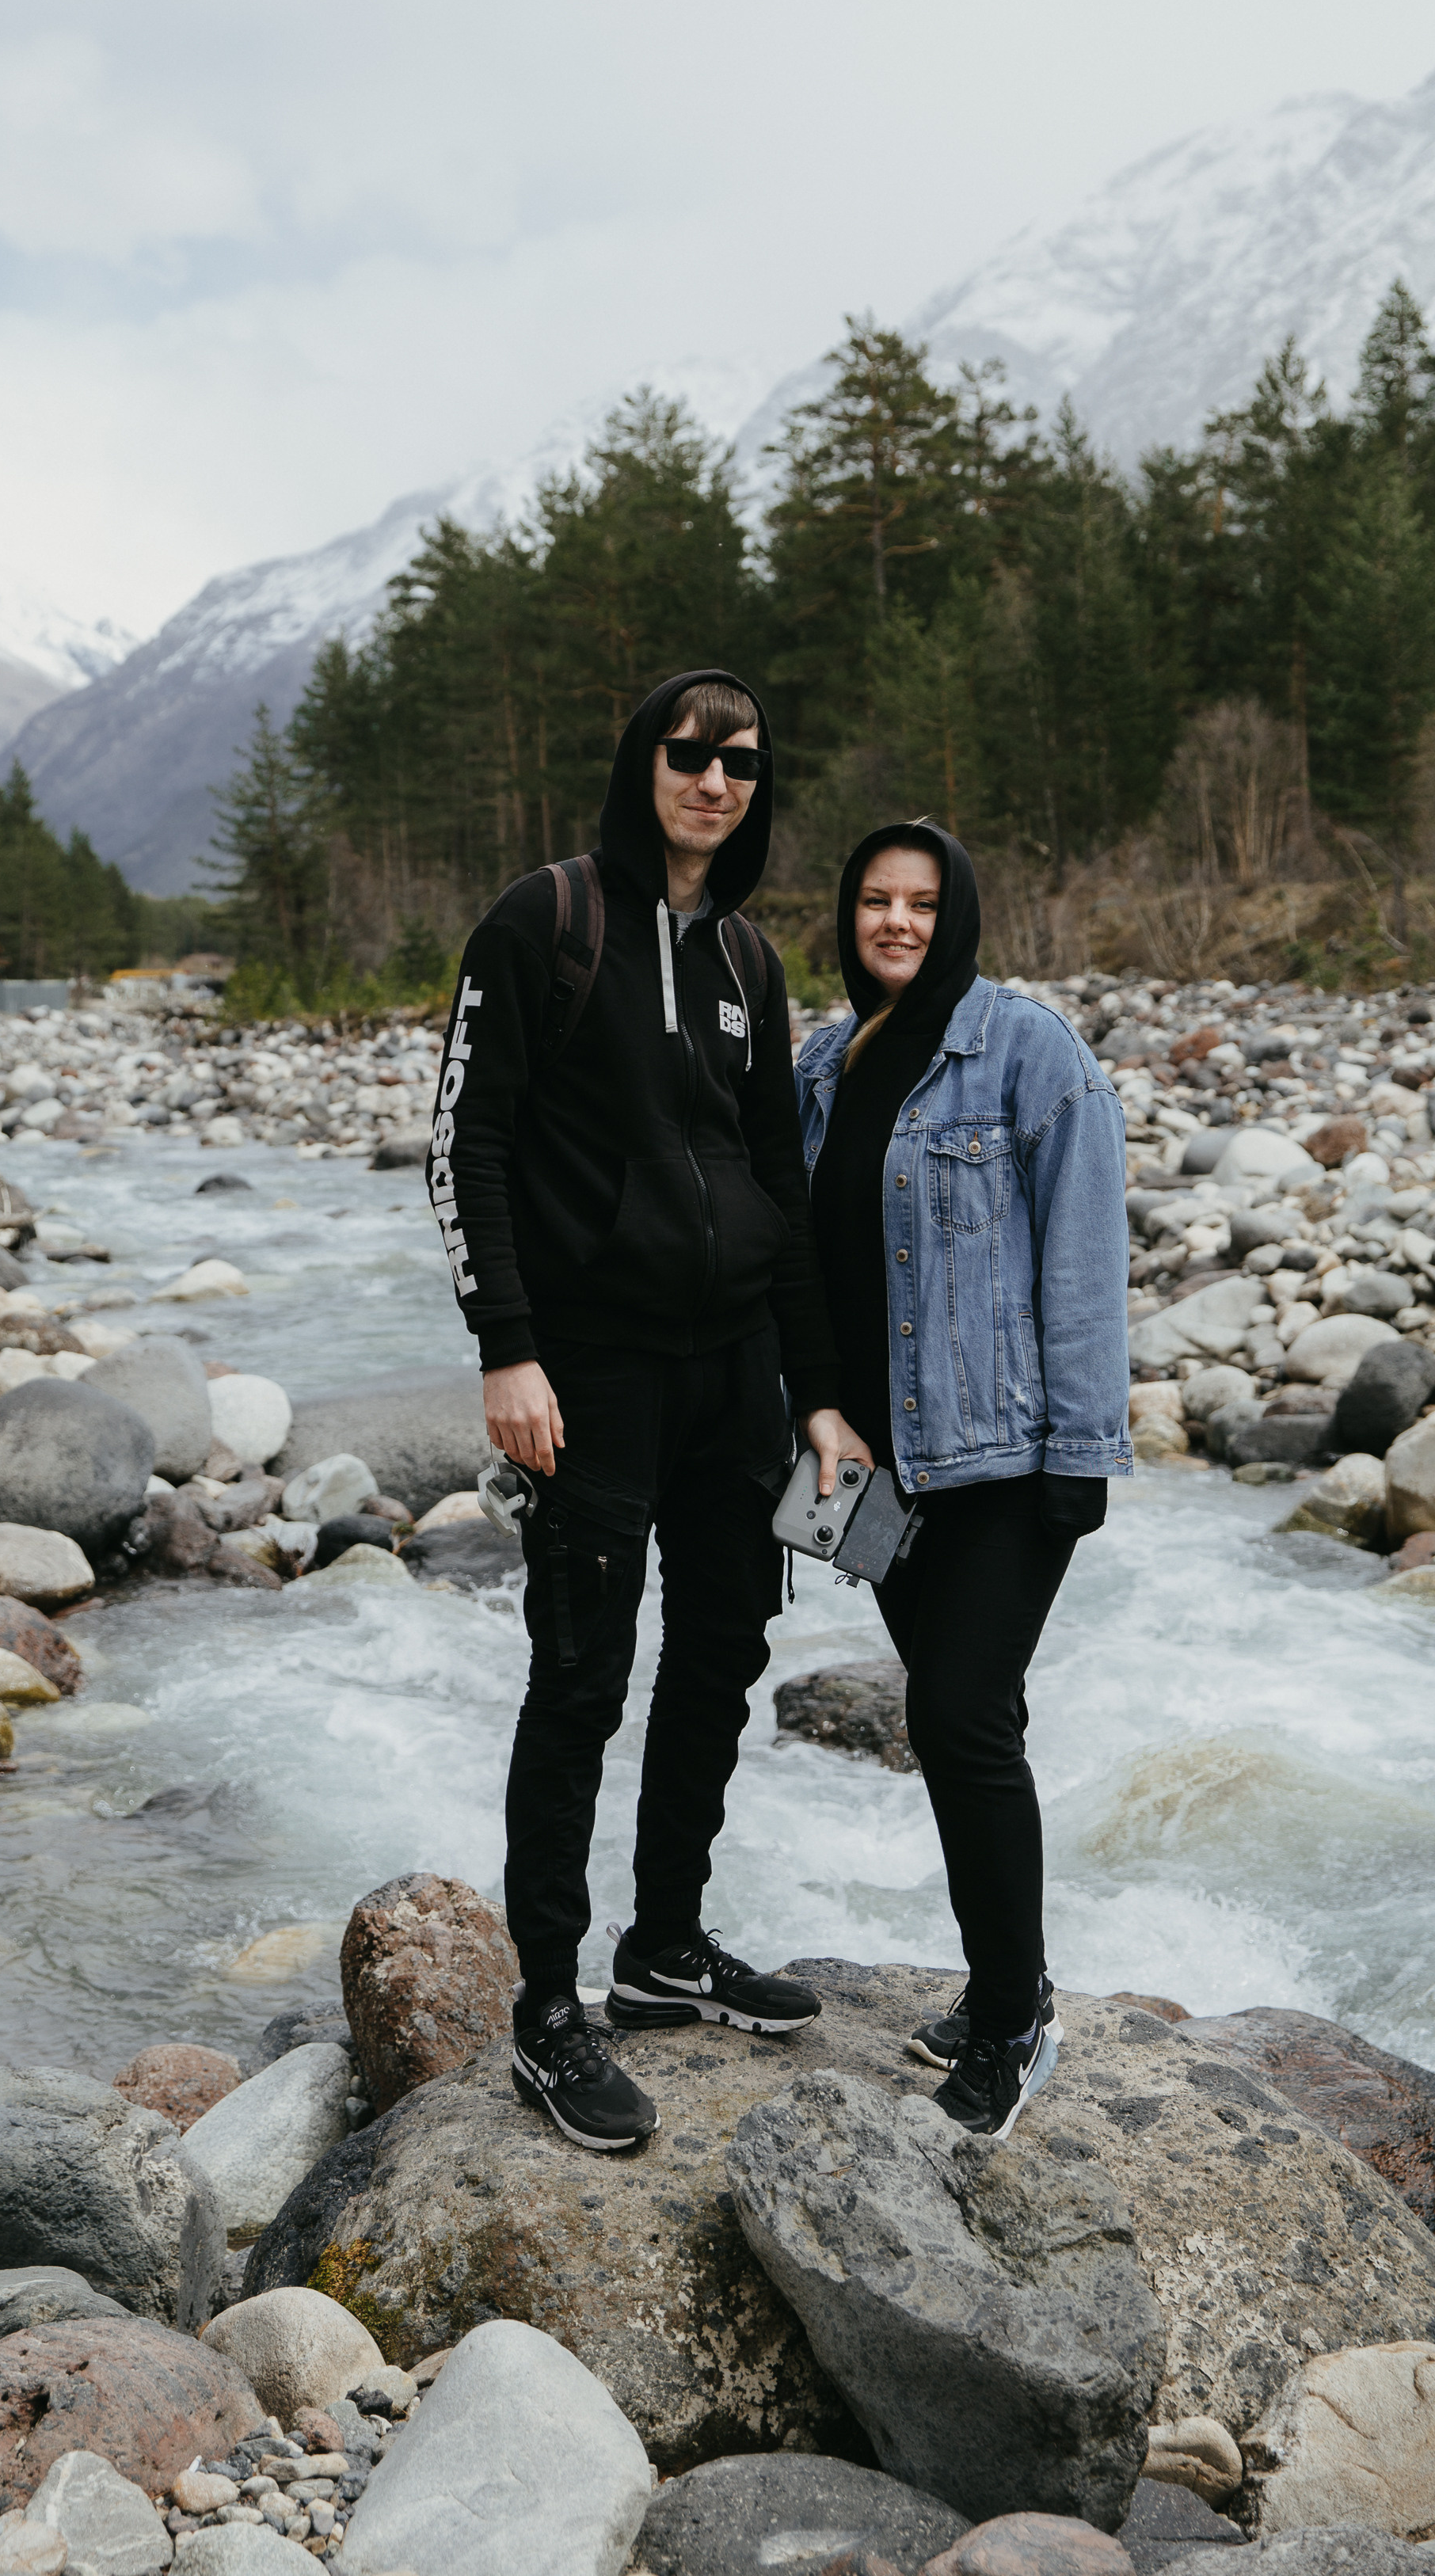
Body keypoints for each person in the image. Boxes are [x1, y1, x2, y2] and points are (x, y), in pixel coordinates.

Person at [429, 666, 866, 2152]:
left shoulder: (749, 958)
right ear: (645, 765)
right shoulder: (545, 923)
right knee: (580, 1679)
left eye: (742, 763)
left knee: (726, 1642)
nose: (716, 781)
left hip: (733, 1367)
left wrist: (817, 1396)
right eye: (690, 755)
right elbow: (466, 1147)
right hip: (593, 1371)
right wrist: (509, 1348)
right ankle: (549, 2009)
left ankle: (664, 1945)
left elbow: (783, 1195)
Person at [795, 822, 1132, 2137]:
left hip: (995, 1454)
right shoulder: (824, 1066)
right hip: (859, 1464)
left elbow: (1084, 1254)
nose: (896, 922)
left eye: (922, 902)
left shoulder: (1028, 1051)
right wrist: (807, 1414)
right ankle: (1011, 1975)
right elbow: (801, 1268)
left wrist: (1081, 1458)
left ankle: (1013, 2017)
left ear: (961, 914)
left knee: (961, 1714)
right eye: (875, 901)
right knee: (954, 1728)